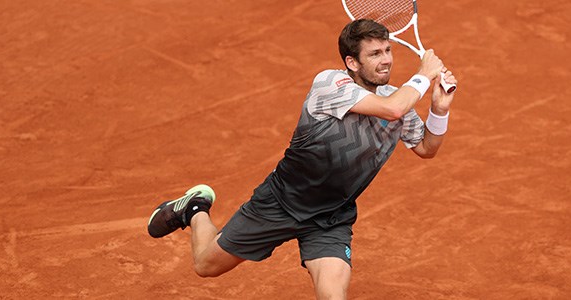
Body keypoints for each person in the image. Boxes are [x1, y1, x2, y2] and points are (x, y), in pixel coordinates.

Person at [147, 19, 458, 299]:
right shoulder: (330, 84)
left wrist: (439, 109)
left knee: (333, 294)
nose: (387, 59)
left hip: (331, 218)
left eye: (388, 50)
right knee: (205, 265)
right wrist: (422, 76)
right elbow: (393, 109)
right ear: (351, 62)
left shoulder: (397, 99)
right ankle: (196, 207)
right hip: (279, 203)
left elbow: (426, 148)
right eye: (375, 54)